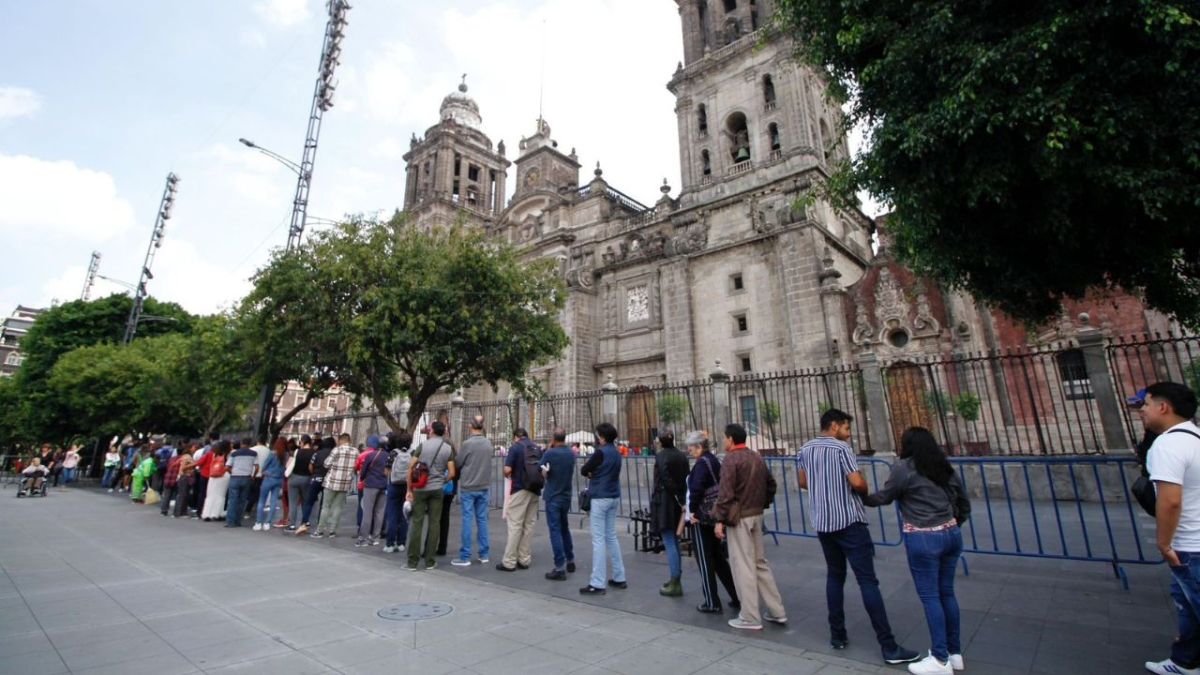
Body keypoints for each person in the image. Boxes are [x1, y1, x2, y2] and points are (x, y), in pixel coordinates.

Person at [796, 408, 920, 664]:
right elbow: (857, 483)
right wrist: (862, 484)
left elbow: (803, 482)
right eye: (846, 428)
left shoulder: (805, 449)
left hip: (823, 523)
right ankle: (888, 646)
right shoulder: (841, 450)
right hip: (849, 523)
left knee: (834, 576)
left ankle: (837, 635)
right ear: (833, 426)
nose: (848, 434)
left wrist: (823, 485)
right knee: (867, 582)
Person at [864, 427, 971, 675]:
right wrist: (953, 523)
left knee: (931, 597)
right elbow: (963, 501)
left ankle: (940, 659)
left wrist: (859, 496)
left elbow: (884, 497)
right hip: (951, 534)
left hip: (924, 538)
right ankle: (955, 654)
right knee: (947, 594)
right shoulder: (943, 467)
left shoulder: (904, 469)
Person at [1140, 382, 1200, 675]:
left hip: (1189, 544)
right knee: (1186, 605)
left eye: (1146, 404)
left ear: (1163, 407)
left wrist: (1164, 543)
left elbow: (1170, 501)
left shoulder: (1167, 444)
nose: (1142, 411)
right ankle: (1186, 660)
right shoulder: (1195, 437)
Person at [713, 423, 785, 631]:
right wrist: (761, 504)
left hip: (739, 519)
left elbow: (725, 494)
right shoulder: (756, 457)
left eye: (725, 438)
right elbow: (771, 484)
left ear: (731, 439)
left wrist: (720, 519)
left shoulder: (731, 460)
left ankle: (750, 616)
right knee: (760, 563)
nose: (723, 441)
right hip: (757, 515)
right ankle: (776, 610)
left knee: (743, 565)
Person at [685, 430, 740, 613]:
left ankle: (711, 601)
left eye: (691, 448)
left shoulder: (701, 464)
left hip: (702, 517)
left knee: (705, 559)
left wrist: (693, 511)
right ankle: (736, 595)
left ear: (699, 446)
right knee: (718, 559)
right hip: (715, 515)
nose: (689, 451)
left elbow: (696, 489)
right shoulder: (713, 459)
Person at [579, 422, 626, 595]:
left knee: (598, 540)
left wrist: (592, 474)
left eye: (599, 435)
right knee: (611, 537)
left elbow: (585, 469)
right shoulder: (616, 452)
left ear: (603, 437)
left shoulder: (601, 452)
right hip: (613, 496)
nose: (598, 438)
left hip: (600, 497)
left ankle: (597, 583)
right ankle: (619, 576)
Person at [405, 421, 456, 570]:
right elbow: (452, 473)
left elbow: (411, 466)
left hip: (420, 489)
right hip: (437, 489)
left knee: (417, 523)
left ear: (432, 431)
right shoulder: (447, 448)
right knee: (435, 524)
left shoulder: (423, 446)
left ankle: (412, 562)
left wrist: (409, 489)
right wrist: (442, 480)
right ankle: (430, 561)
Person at [650, 431, 689, 597]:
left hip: (665, 502)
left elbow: (664, 478)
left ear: (660, 442)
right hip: (678, 501)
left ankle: (675, 580)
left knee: (669, 541)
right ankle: (676, 577)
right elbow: (687, 478)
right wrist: (682, 498)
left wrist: (672, 492)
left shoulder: (661, 456)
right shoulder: (682, 456)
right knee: (674, 539)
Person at [453, 415, 493, 566]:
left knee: (467, 520)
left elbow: (458, 463)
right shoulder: (488, 443)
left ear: (470, 426)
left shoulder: (467, 444)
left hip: (468, 487)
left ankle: (465, 556)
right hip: (483, 486)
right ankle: (484, 554)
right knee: (482, 520)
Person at [498, 428, 540, 572]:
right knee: (528, 525)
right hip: (534, 489)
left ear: (516, 437)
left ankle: (509, 561)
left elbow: (507, 469)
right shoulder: (536, 447)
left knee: (515, 524)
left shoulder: (515, 448)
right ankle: (524, 559)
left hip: (520, 488)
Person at [541, 427, 576, 580]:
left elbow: (542, 470)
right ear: (565, 438)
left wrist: (549, 448)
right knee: (564, 528)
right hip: (566, 496)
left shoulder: (550, 453)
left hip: (553, 496)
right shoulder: (571, 453)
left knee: (555, 531)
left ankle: (559, 567)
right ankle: (570, 559)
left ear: (554, 439)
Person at [314, 434, 358, 539]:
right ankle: (332, 531)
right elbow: (356, 466)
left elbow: (326, 464)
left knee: (326, 507)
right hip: (345, 483)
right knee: (338, 507)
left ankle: (319, 530)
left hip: (331, 482)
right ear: (349, 440)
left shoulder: (336, 450)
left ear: (340, 440)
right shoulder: (355, 451)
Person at [356, 436, 390, 547]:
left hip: (371, 485)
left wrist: (362, 478)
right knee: (379, 512)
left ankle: (364, 538)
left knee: (367, 512)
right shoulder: (389, 456)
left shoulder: (371, 455)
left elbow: (364, 470)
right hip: (384, 485)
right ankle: (375, 537)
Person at [383, 431, 413, 553]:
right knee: (405, 515)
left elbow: (386, 471)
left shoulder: (393, 453)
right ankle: (401, 543)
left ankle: (390, 544)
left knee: (392, 515)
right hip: (408, 487)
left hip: (394, 486)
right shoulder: (414, 452)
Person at [299, 437, 335, 536]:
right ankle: (321, 524)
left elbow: (310, 465)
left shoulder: (317, 453)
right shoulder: (334, 454)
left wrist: (313, 474)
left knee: (309, 502)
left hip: (315, 479)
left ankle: (304, 522)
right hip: (328, 480)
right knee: (324, 505)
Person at [224, 439, 258, 527]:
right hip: (246, 478)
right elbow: (257, 467)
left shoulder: (234, 453)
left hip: (235, 477)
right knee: (242, 501)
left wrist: (233, 472)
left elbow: (227, 467)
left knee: (232, 500)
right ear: (249, 444)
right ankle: (238, 521)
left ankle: (230, 522)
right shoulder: (254, 454)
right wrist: (253, 476)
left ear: (241, 444)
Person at [255, 439, 287, 531]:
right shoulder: (286, 455)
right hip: (279, 479)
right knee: (273, 502)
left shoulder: (272, 453)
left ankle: (258, 523)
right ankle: (267, 523)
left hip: (269, 478)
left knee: (262, 501)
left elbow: (264, 465)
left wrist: (264, 472)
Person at [286, 435, 316, 532]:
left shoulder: (297, 451)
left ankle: (291, 525)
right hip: (306, 479)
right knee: (306, 501)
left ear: (302, 442)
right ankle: (305, 522)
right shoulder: (314, 453)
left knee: (293, 502)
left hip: (294, 478)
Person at [200, 442, 232, 522]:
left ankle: (206, 514)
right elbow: (228, 467)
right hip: (223, 476)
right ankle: (216, 514)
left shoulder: (215, 454)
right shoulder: (228, 455)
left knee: (210, 495)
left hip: (213, 476)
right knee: (220, 495)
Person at [161, 445, 195, 518]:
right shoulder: (186, 458)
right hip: (180, 477)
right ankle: (178, 512)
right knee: (181, 495)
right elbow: (183, 468)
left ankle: (164, 510)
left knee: (168, 495)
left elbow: (171, 466)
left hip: (170, 477)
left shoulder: (173, 458)